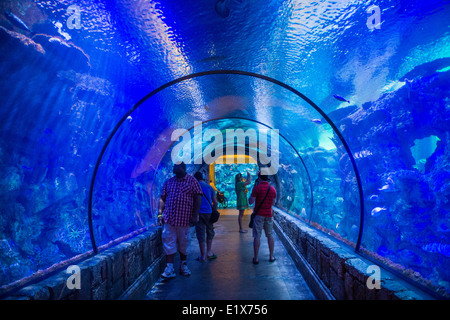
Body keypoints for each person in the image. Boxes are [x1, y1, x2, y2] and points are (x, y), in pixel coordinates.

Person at [158, 162, 203, 279]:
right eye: (173, 166)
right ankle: (169, 268)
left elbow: (198, 198)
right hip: (169, 219)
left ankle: (183, 265)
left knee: (184, 243)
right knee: (169, 242)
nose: (173, 168)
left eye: (176, 166)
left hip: (184, 219)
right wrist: (160, 214)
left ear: (183, 168)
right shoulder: (169, 182)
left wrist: (195, 215)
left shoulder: (192, 181)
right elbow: (162, 198)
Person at [248, 173, 277, 264]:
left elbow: (250, 201)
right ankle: (271, 256)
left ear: (259, 178)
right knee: (270, 235)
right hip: (268, 215)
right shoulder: (272, 189)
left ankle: (256, 258)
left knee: (257, 236)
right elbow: (273, 202)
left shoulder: (257, 188)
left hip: (258, 215)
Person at [193, 172, 218, 262]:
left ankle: (202, 256)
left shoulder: (194, 187)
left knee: (200, 233)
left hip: (198, 213)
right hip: (208, 212)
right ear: (203, 178)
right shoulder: (209, 187)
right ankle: (209, 252)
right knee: (210, 231)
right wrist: (214, 211)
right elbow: (215, 202)